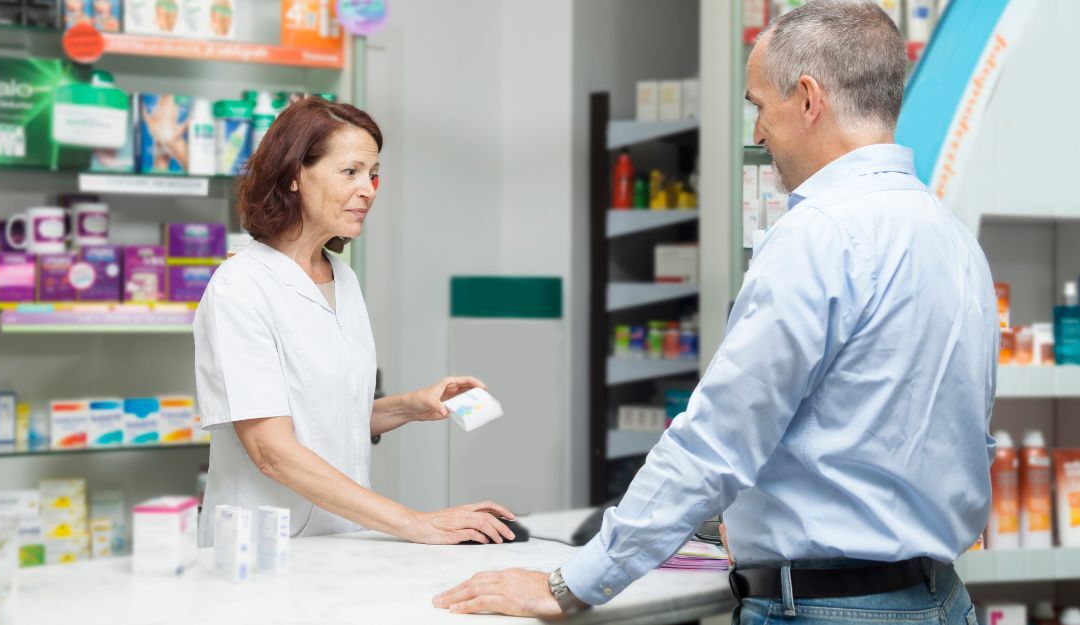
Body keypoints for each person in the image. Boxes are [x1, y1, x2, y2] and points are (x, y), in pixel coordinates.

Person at [434, 1, 997, 621]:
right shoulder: (952, 237)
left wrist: (570, 584)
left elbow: (717, 441)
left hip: (829, 609)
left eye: (759, 105)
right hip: (940, 600)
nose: (757, 132)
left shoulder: (819, 233)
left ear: (808, 99)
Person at [193, 97, 518, 547]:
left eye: (373, 174)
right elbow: (271, 451)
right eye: (350, 172)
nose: (368, 189)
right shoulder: (240, 288)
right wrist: (414, 522)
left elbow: (326, 416)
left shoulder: (342, 278)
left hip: (342, 539)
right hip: (263, 547)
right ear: (293, 176)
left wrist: (410, 406)